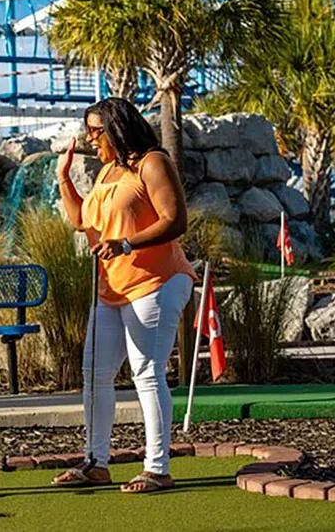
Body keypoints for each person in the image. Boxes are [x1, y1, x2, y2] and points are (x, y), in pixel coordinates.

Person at [51, 97, 196, 494]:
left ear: (117, 127)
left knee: (146, 373)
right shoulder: (107, 172)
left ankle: (157, 469)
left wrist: (127, 244)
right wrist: (65, 180)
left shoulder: (152, 163)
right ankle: (96, 463)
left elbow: (175, 221)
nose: (90, 139)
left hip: (156, 281)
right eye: (89, 131)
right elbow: (82, 221)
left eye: (97, 131)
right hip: (110, 288)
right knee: (95, 374)